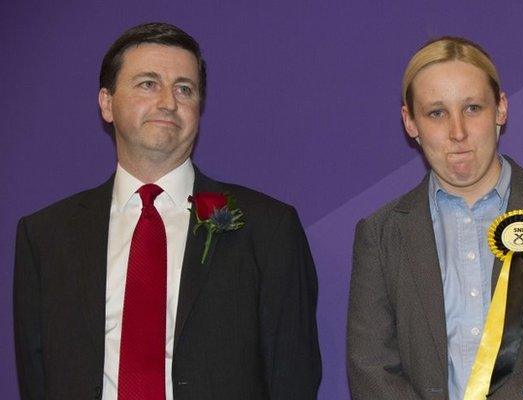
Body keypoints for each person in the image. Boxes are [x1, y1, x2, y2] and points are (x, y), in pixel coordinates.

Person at [14, 22, 321, 400]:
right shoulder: (45, 236)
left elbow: (293, 377)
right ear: (106, 103)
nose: (168, 102)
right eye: (148, 84)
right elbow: (36, 378)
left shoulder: (268, 228)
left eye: (184, 89)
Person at [347, 36, 523, 399]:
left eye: (472, 108)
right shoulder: (380, 235)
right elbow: (371, 370)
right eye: (436, 113)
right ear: (410, 122)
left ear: (500, 109)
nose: (458, 132)